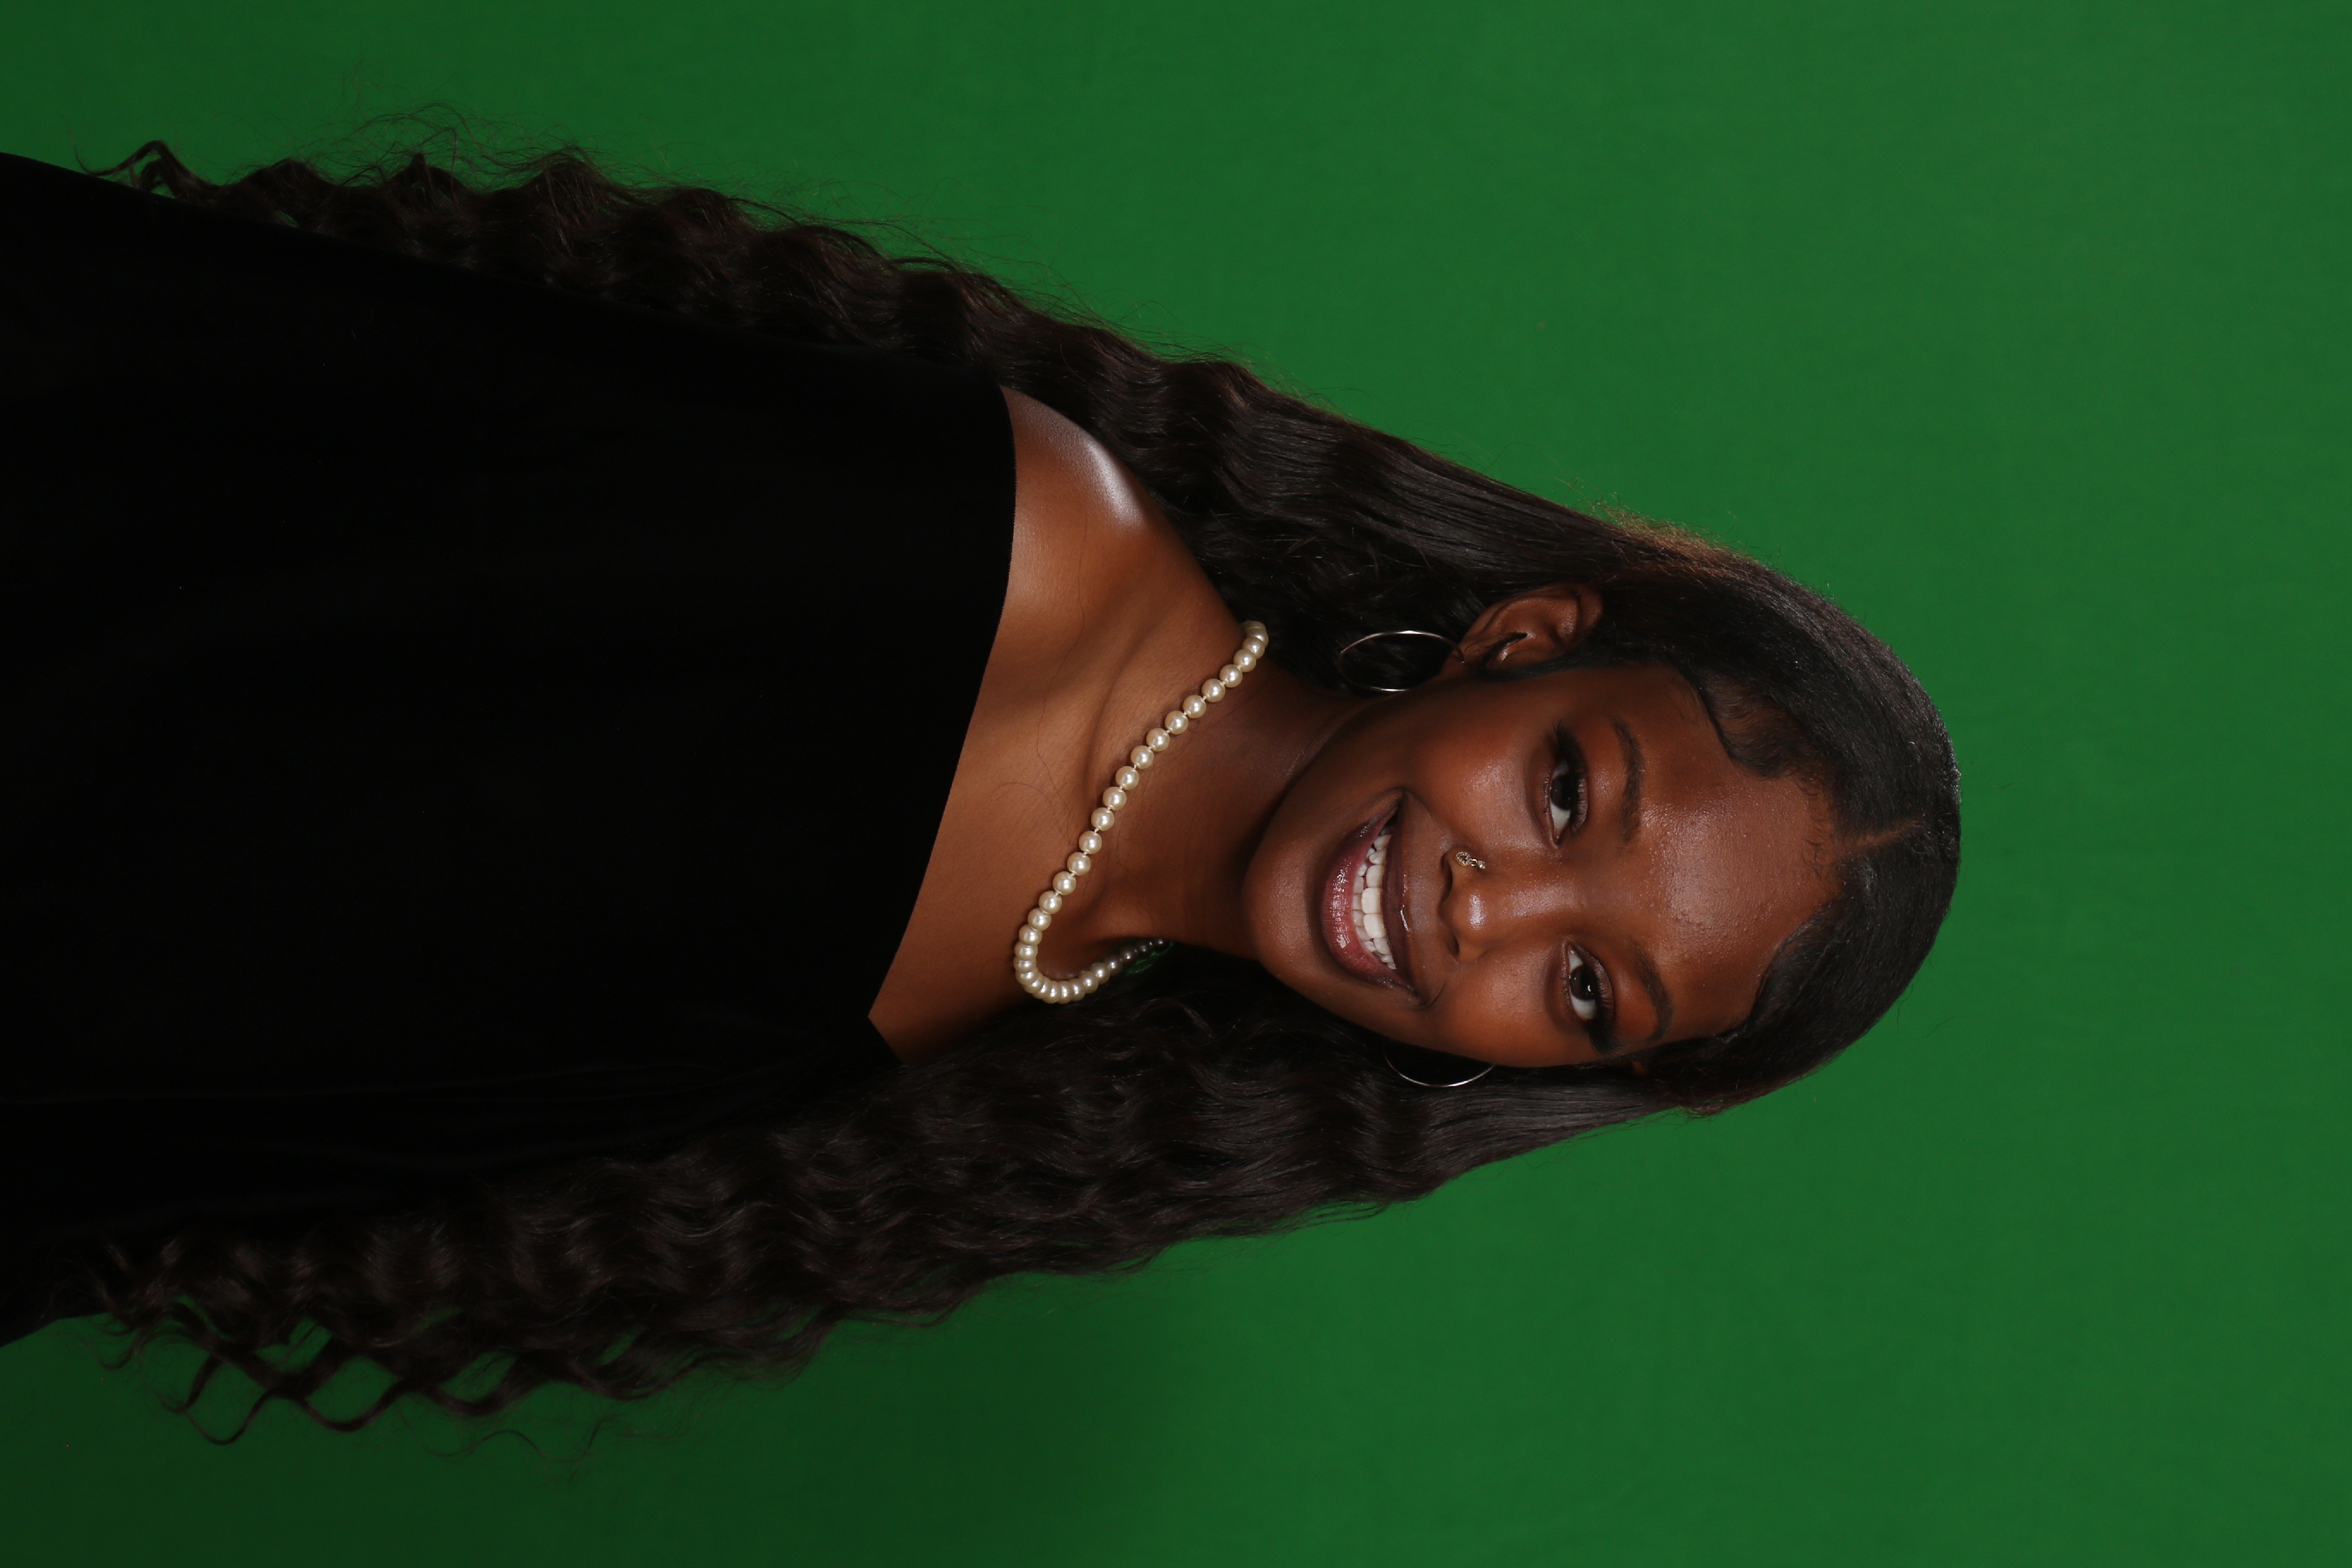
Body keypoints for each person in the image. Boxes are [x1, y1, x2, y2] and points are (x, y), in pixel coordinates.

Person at [0, 141, 1959, 1432]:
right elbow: (180, 454)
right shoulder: (987, 550)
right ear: (1522, 642)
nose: (1491, 910)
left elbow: (201, 1149)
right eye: (1569, 798)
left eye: (1589, 990)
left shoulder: (1034, 1065)